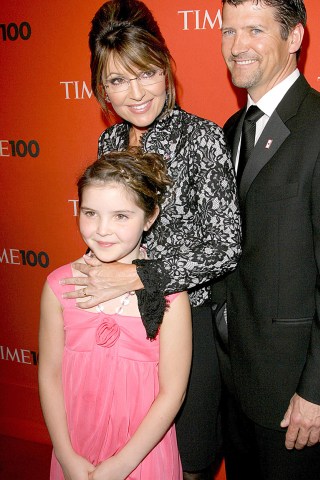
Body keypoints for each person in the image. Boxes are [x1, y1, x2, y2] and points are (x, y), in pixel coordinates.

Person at [59, 1, 242, 479]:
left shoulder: (202, 137)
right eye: (118, 80)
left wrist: (137, 275)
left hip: (186, 321)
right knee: (115, 444)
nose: (136, 93)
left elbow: (225, 244)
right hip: (119, 323)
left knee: (192, 457)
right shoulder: (110, 143)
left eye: (146, 73)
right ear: (101, 88)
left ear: (166, 70)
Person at [212, 1, 320, 479]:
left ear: (294, 38)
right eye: (228, 31)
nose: (237, 45)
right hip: (237, 387)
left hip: (297, 398)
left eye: (254, 30)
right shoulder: (231, 130)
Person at [39, 149, 192, 479]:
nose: (102, 230)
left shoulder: (170, 297)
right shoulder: (58, 286)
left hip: (142, 455)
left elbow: (173, 391)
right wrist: (65, 455)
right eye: (91, 213)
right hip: (75, 448)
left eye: (121, 216)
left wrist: (122, 465)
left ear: (149, 217)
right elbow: (49, 374)